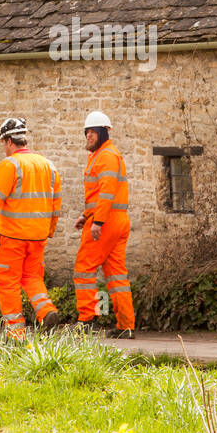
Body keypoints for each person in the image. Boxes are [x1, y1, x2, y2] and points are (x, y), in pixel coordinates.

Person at [0, 116, 62, 342]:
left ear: (9, 142)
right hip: (38, 238)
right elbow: (56, 203)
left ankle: (16, 334)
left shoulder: (10, 165)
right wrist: (49, 230)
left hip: (12, 238)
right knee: (32, 277)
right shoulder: (49, 166)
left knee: (7, 282)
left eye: (3, 144)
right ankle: (46, 311)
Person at [73, 111, 135, 340]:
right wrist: (86, 214)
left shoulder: (106, 156)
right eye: (86, 132)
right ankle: (126, 326)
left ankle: (87, 320)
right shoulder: (102, 155)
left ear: (103, 132)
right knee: (116, 275)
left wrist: (97, 221)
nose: (88, 136)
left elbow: (107, 191)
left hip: (106, 221)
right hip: (115, 219)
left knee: (83, 268)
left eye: (92, 132)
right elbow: (99, 194)